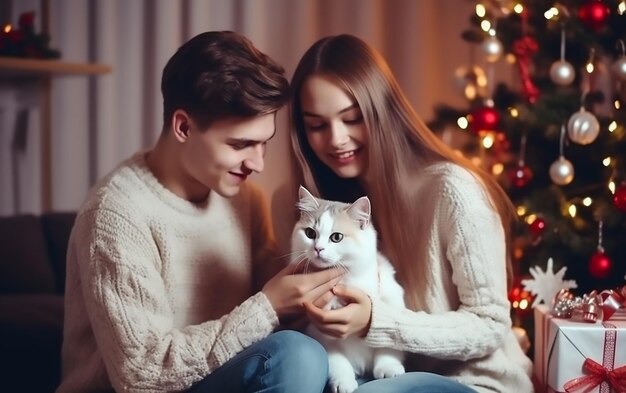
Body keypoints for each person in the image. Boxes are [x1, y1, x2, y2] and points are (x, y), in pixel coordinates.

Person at [57, 31, 341, 393]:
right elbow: (141, 375)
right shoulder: (114, 216)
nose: (257, 163)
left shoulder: (245, 201)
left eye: (264, 143)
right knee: (297, 356)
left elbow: (275, 312)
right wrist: (267, 307)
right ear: (184, 127)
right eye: (241, 144)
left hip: (220, 379)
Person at [288, 34, 534, 393]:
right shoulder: (328, 205)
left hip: (475, 383)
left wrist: (376, 320)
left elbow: (490, 324)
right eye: (317, 125)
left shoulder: (454, 190)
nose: (336, 139)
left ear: (382, 110)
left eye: (352, 118)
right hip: (377, 376)